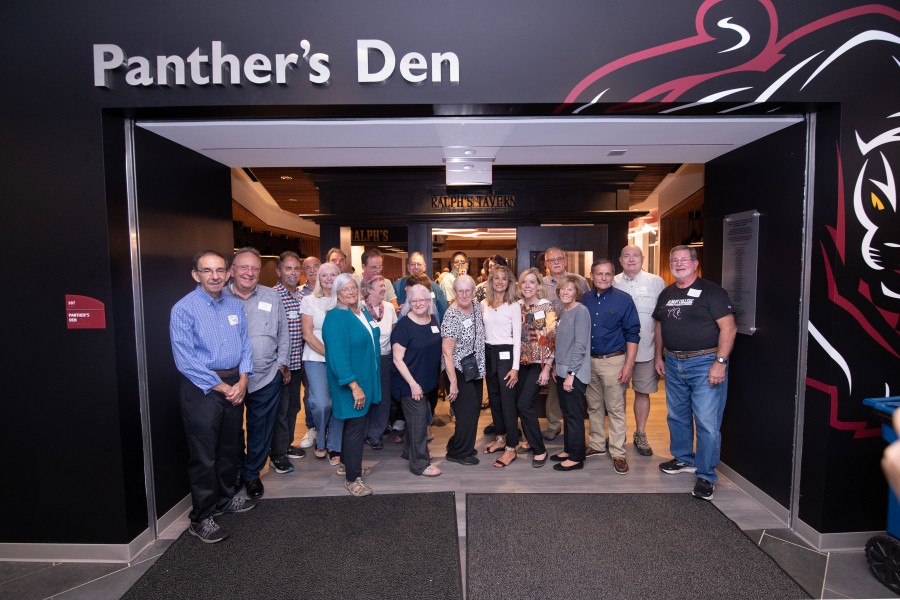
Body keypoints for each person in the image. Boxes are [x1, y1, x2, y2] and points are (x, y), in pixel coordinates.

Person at [170, 250, 256, 543]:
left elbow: (245, 344)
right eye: (208, 271)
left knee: (229, 448)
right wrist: (223, 387)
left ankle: (224, 499)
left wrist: (243, 379)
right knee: (204, 456)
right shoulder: (184, 309)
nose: (215, 276)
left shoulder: (233, 305)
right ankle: (202, 517)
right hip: (203, 389)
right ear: (196, 275)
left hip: (235, 384)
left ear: (228, 273)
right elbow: (185, 359)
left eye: (220, 270)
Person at [654, 245, 737, 501]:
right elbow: (659, 327)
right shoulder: (666, 293)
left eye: (683, 260)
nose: (678, 264)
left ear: (695, 263)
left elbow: (729, 328)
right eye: (674, 260)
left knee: (706, 421)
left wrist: (720, 362)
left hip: (704, 363)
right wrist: (659, 355)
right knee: (677, 415)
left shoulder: (712, 292)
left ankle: (706, 475)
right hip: (674, 361)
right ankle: (683, 458)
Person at [223, 247, 290, 500]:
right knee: (232, 430)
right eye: (243, 267)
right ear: (232, 270)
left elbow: (284, 332)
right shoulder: (221, 298)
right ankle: (237, 470)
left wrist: (281, 364)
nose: (249, 273)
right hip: (229, 379)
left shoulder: (271, 297)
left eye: (254, 268)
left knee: (260, 429)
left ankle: (251, 475)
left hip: (265, 376)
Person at [322, 274, 382, 496]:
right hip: (351, 383)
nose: (349, 292)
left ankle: (348, 465)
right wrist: (354, 386)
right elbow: (337, 357)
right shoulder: (335, 317)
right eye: (344, 289)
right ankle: (352, 478)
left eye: (352, 287)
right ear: (336, 292)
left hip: (366, 377)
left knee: (355, 426)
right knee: (356, 428)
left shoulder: (361, 311)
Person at [583, 259, 641, 475]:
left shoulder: (623, 300)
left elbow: (633, 334)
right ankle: (597, 444)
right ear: (592, 275)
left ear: (613, 276)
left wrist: (629, 365)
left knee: (615, 408)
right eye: (599, 274)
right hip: (589, 361)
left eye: (608, 274)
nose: (604, 278)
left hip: (614, 361)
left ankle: (618, 452)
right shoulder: (585, 298)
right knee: (594, 406)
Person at [613, 244, 666, 456]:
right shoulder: (612, 281)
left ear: (643, 258)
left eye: (635, 255)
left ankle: (640, 433)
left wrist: (660, 354)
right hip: (618, 351)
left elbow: (661, 320)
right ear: (620, 260)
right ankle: (618, 434)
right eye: (627, 256)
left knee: (642, 392)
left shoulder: (656, 282)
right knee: (617, 395)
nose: (631, 259)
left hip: (646, 349)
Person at [392, 284, 444, 477]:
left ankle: (409, 452)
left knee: (416, 420)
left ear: (429, 301)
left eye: (422, 300)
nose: (419, 304)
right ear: (409, 303)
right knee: (418, 422)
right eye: (414, 301)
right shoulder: (403, 326)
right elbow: (397, 359)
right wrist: (413, 384)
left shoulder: (432, 320)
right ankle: (420, 464)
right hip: (409, 383)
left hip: (427, 382)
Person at [541, 246, 590, 442]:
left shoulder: (579, 281)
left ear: (566, 260)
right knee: (555, 389)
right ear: (546, 264)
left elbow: (584, 308)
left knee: (571, 389)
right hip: (551, 343)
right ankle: (554, 426)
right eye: (552, 260)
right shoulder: (542, 284)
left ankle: (575, 435)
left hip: (574, 342)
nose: (556, 262)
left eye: (560, 258)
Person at [300, 262, 343, 465]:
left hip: (342, 360)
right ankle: (320, 434)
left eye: (332, 274)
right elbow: (307, 334)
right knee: (320, 403)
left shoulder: (345, 300)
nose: (328, 278)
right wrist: (329, 354)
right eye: (323, 275)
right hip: (315, 357)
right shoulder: (309, 300)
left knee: (338, 401)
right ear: (318, 278)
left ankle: (333, 444)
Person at [441, 274, 485, 466]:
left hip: (474, 368)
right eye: (461, 291)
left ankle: (461, 444)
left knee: (474, 408)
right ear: (455, 292)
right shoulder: (452, 315)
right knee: (466, 411)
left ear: (474, 292)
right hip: (457, 368)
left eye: (468, 290)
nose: (465, 294)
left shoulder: (477, 307)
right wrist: (453, 383)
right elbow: (447, 352)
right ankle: (458, 452)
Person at [481, 264, 522, 469]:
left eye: (504, 279)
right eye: (496, 278)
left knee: (507, 402)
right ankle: (500, 438)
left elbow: (517, 339)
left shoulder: (514, 305)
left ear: (509, 282)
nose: (499, 282)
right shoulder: (483, 304)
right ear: (491, 281)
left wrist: (515, 368)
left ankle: (511, 447)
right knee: (494, 398)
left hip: (507, 354)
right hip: (489, 354)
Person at [269, 251, 308, 467]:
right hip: (280, 366)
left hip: (297, 365)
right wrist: (279, 365)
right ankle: (277, 454)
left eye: (296, 269)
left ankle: (286, 444)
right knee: (280, 411)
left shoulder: (302, 297)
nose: (293, 273)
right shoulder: (272, 296)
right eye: (288, 268)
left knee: (293, 407)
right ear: (278, 271)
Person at [550, 275, 592, 472]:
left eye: (570, 290)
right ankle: (568, 449)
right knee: (566, 413)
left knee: (574, 415)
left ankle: (576, 457)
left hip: (574, 373)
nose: (565, 292)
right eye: (562, 289)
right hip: (561, 370)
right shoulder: (562, 310)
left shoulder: (581, 311)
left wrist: (571, 373)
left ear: (577, 292)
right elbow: (560, 344)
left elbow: (580, 345)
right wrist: (556, 368)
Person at [516, 268, 555, 468]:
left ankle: (540, 450)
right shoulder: (516, 306)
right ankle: (531, 441)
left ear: (539, 285)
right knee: (522, 405)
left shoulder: (546, 307)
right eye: (524, 282)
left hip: (538, 365)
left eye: (532, 282)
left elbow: (551, 339)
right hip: (519, 364)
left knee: (524, 404)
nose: (528, 286)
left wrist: (547, 368)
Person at [361, 274, 398, 450]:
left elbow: (394, 333)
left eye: (384, 286)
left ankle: (375, 433)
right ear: (368, 290)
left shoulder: (389, 308)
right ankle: (362, 431)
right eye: (380, 286)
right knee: (366, 395)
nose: (384, 289)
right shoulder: (359, 308)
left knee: (383, 397)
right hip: (366, 359)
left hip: (385, 358)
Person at [296, 256, 321, 450]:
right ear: (303, 271)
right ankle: (313, 428)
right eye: (308, 267)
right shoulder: (299, 294)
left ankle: (328, 429)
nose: (312, 270)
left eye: (316, 266)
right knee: (311, 393)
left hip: (331, 353)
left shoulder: (332, 291)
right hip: (306, 352)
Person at [394, 252, 449, 320]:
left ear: (424, 267)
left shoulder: (434, 287)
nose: (416, 267)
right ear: (408, 267)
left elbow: (443, 311)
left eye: (419, 264)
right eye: (413, 264)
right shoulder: (397, 286)